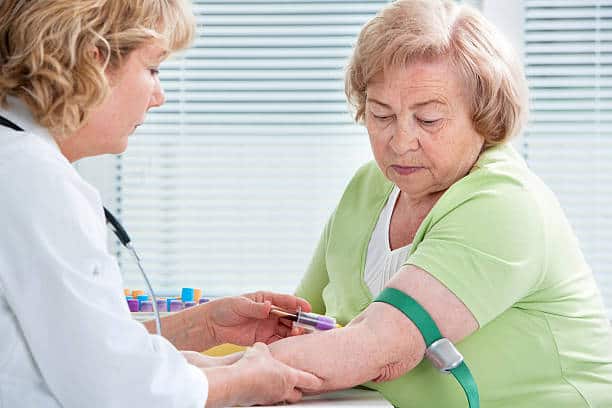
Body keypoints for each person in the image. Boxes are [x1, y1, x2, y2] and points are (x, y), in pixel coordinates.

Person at [266, 1, 612, 407]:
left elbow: (377, 345)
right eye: (381, 115)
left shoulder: (504, 204)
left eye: (428, 120)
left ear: (485, 117)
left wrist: (203, 381)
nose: (400, 141)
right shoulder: (366, 189)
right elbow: (300, 323)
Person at [0, 1, 320, 407]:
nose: (160, 96)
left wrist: (204, 326)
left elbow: (76, 347)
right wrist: (245, 383)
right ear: (92, 60)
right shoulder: (35, 182)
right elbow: (119, 390)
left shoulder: (18, 164)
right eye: (152, 68)